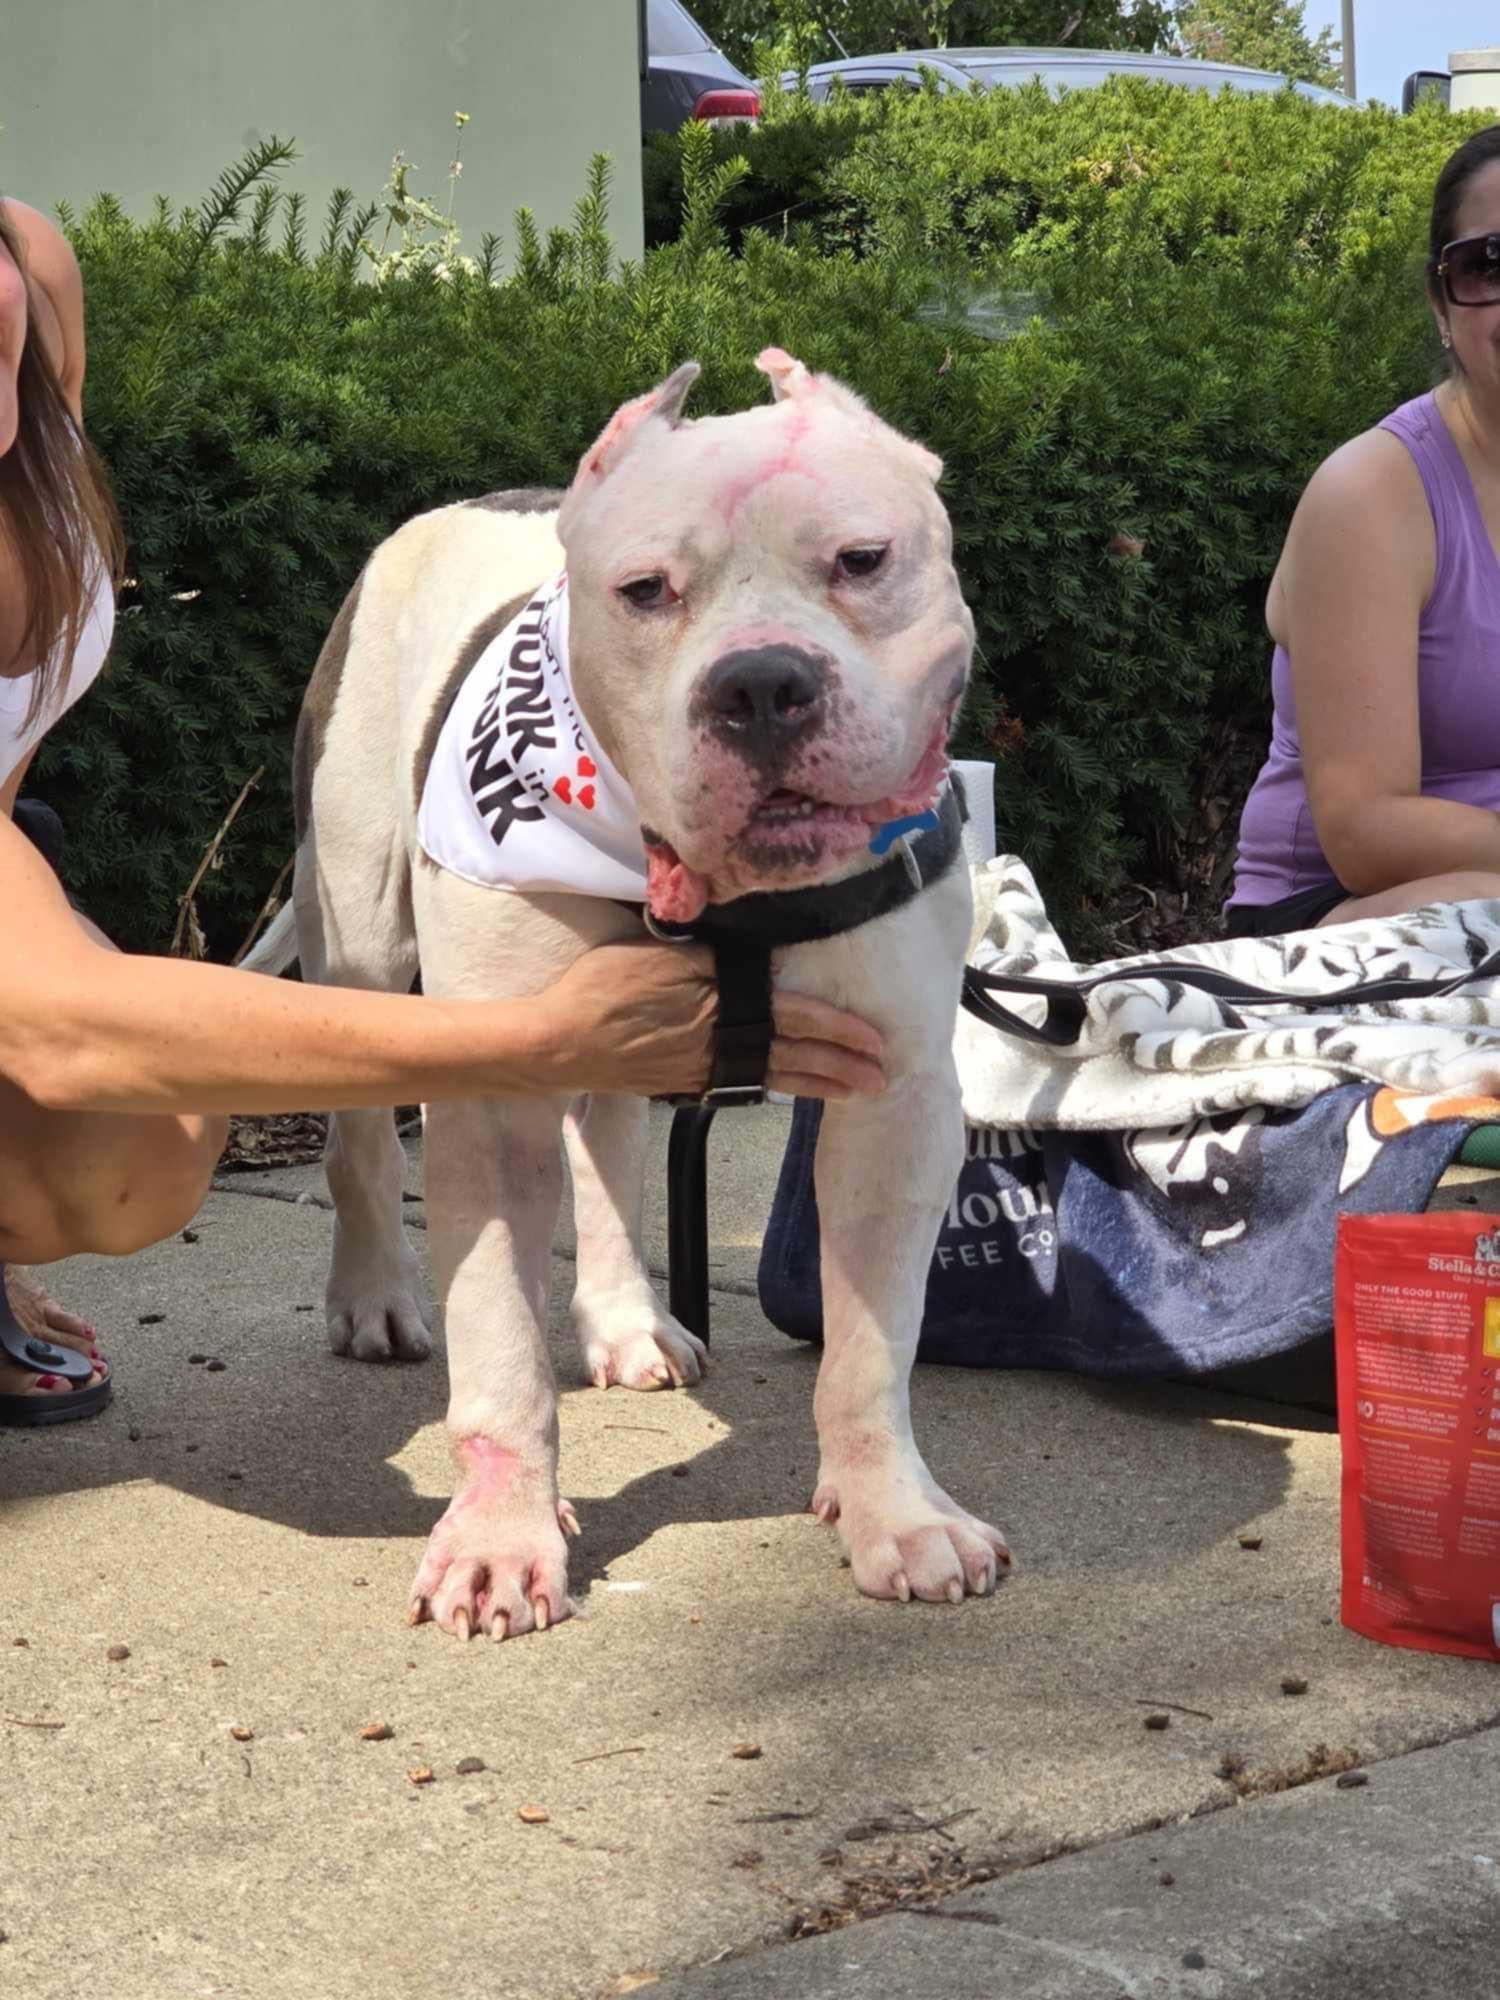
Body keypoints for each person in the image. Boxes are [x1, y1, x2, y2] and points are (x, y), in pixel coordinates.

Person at [0, 196, 886, 1425]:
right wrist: (545, 1039)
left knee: (619, 938)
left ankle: (616, 1278)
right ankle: (361, 1209)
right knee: (251, 1038)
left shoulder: (31, 277)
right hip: (371, 665)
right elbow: (58, 1028)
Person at [1227, 125, 1500, 939]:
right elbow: (1364, 833)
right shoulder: (1374, 496)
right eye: (1490, 264)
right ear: (1441, 300)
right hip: (1340, 921)